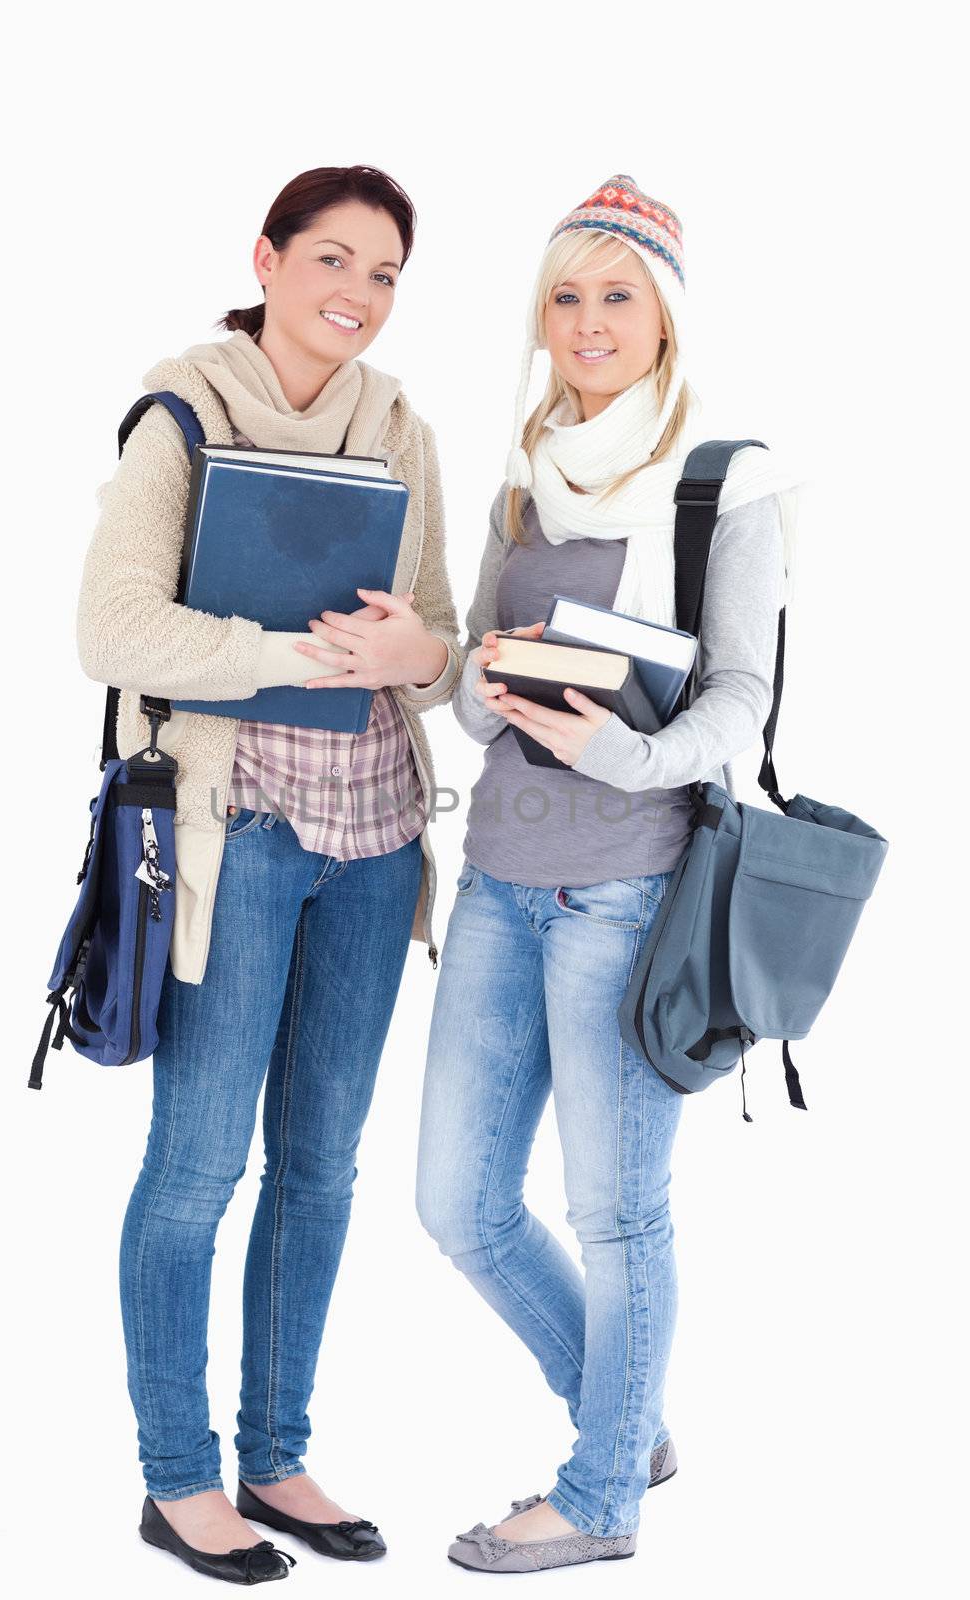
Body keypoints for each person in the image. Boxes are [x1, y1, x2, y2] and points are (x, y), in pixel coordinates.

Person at [75, 163, 463, 1584]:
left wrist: (407, 657)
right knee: (196, 1169)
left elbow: (433, 628)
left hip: (376, 840)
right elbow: (113, 630)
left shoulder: (401, 424)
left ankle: (278, 1454)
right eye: (332, 261)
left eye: (383, 275)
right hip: (240, 844)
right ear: (269, 257)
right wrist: (286, 655)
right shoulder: (184, 410)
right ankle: (178, 1481)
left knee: (320, 1168)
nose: (355, 296)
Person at [415, 174, 804, 1575]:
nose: (587, 322)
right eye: (565, 297)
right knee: (458, 1204)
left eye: (616, 294)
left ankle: (599, 1496)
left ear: (667, 317)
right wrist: (477, 686)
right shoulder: (526, 468)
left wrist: (620, 751)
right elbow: (469, 680)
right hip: (500, 875)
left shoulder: (726, 483)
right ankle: (624, 1411)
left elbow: (740, 709)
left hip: (629, 889)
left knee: (614, 1211)